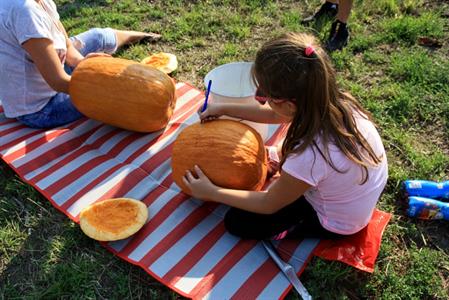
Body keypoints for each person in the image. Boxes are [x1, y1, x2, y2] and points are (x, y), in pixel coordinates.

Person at [183, 32, 388, 241]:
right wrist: (223, 108)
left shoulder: (310, 155)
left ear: (290, 105)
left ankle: (292, 230)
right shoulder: (330, 103)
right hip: (356, 196)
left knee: (237, 222)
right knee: (287, 161)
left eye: (264, 96)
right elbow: (276, 114)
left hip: (338, 223)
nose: (259, 98)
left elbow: (269, 203)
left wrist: (212, 192)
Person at [0, 0, 161, 129]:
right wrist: (112, 87)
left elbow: (67, 46)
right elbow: (58, 81)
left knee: (98, 36)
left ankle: (139, 35)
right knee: (115, 98)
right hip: (41, 109)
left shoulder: (41, 2)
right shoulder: (24, 11)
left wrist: (81, 62)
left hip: (53, 70)